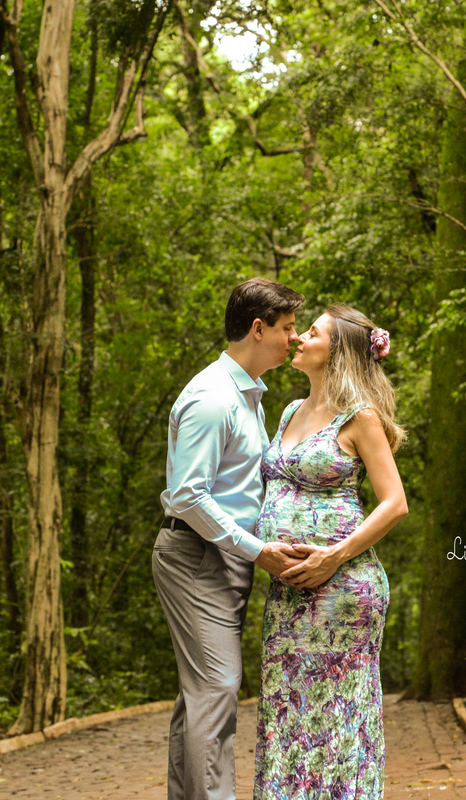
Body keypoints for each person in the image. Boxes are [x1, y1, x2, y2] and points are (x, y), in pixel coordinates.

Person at [153, 277, 307, 800]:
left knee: (201, 696)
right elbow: (187, 497)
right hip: (197, 558)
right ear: (258, 328)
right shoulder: (213, 398)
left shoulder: (249, 396)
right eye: (288, 328)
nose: (295, 337)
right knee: (217, 689)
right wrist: (258, 550)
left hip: (224, 561)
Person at [253, 304, 409, 800]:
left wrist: (333, 556)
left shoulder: (360, 417)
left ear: (336, 351)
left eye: (312, 333)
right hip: (289, 594)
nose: (298, 337)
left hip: (343, 591)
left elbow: (395, 503)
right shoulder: (288, 411)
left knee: (338, 716)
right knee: (286, 708)